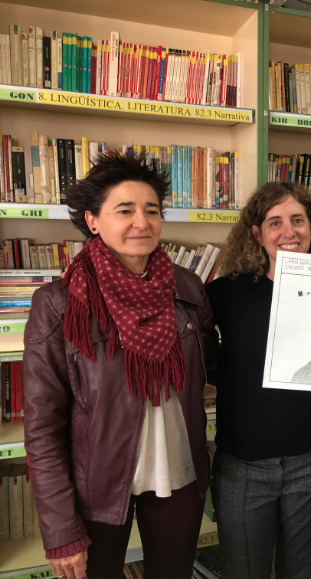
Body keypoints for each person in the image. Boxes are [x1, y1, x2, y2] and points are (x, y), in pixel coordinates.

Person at [23, 152, 218, 579]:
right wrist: (61, 529)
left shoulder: (187, 289)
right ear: (93, 221)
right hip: (97, 487)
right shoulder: (60, 304)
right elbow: (42, 427)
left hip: (178, 475)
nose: (141, 223)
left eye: (152, 210)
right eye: (125, 210)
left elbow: (212, 366)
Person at [205, 181, 311, 579]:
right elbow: (197, 353)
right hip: (244, 466)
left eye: (298, 220)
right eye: (275, 222)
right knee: (243, 572)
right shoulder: (224, 294)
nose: (288, 232)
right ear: (257, 233)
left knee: (303, 572)